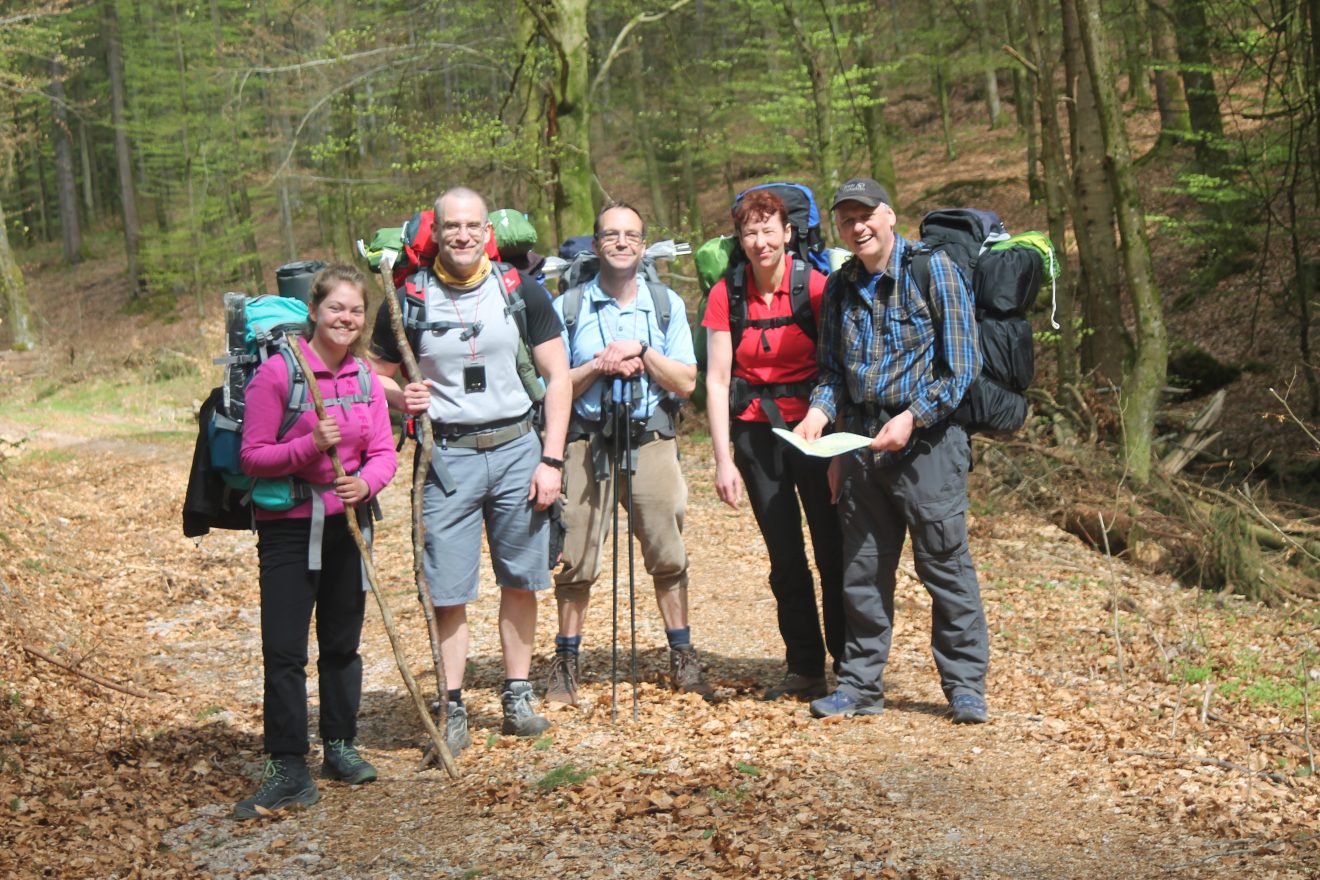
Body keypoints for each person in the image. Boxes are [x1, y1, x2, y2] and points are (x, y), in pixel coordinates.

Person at [368, 187, 570, 755]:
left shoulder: (520, 290)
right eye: (451, 225)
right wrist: (399, 396)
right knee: (447, 588)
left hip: (516, 450)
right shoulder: (406, 298)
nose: (462, 235)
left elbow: (559, 377)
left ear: (488, 232)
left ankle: (516, 695)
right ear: (437, 229)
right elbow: (373, 375)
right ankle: (452, 707)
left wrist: (551, 458)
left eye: (472, 226)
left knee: (522, 579)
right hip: (445, 457)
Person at [794, 177, 990, 725]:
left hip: (928, 446)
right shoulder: (838, 287)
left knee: (945, 569)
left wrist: (911, 419)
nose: (857, 227)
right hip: (859, 448)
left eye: (865, 215)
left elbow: (961, 368)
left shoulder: (933, 272)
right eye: (846, 219)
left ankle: (965, 686)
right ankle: (859, 685)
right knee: (861, 572)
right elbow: (832, 371)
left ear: (889, 216)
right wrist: (817, 413)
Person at [234, 264, 398, 819]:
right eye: (336, 309)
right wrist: (308, 444)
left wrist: (365, 483)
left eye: (355, 310)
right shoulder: (279, 375)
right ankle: (287, 766)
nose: (346, 319)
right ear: (315, 312)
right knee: (284, 651)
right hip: (287, 528)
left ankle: (340, 746)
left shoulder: (365, 379)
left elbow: (383, 453)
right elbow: (252, 457)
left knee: (342, 643)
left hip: (348, 525)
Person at [544, 201, 712, 706]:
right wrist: (599, 364)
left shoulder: (666, 305)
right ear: (596, 245)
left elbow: (686, 381)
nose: (621, 242)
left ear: (643, 244)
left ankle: (681, 655)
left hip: (650, 437)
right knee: (575, 556)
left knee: (667, 550)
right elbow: (553, 385)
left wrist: (642, 352)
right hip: (585, 440)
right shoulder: (567, 308)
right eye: (611, 235)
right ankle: (566, 662)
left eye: (631, 235)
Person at [702, 188, 843, 701]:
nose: (760, 241)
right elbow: (717, 380)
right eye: (749, 232)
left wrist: (836, 453)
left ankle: (849, 664)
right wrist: (723, 460)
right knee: (785, 556)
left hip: (815, 430)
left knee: (833, 550)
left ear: (788, 233)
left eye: (768, 230)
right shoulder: (728, 293)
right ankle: (804, 666)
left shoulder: (819, 288)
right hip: (756, 432)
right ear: (739, 241)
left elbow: (837, 370)